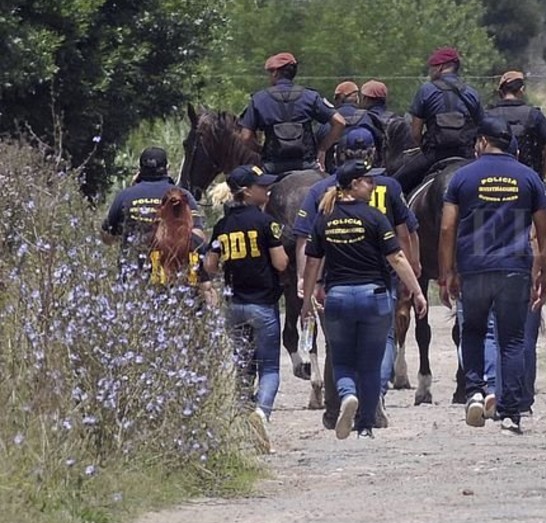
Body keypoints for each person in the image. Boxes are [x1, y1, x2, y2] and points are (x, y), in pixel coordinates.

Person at [295, 128, 420, 430]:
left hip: (335, 293)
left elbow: (310, 258)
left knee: (340, 354)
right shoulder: (380, 206)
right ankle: (369, 410)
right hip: (376, 291)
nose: (372, 184)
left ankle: (345, 396)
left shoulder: (322, 210)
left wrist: (306, 291)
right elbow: (400, 249)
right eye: (368, 181)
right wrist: (416, 287)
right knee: (374, 353)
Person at [439, 116, 546, 435]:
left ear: (481, 142)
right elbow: (545, 230)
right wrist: (545, 271)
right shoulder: (529, 177)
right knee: (513, 340)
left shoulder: (462, 177)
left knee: (473, 331)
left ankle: (475, 391)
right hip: (515, 268)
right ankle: (511, 412)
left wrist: (447, 271)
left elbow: (448, 227)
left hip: (473, 267)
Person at [203, 165, 288, 454]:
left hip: (234, 305)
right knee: (270, 368)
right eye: (262, 186)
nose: (267, 190)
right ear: (247, 191)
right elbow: (280, 264)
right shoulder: (266, 224)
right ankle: (261, 413)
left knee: (242, 367)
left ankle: (241, 427)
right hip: (263, 304)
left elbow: (210, 265)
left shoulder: (222, 225)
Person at [237, 52, 347, 175]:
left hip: (273, 167)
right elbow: (340, 122)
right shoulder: (310, 96)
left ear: (275, 73)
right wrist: (322, 149)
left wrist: (262, 151)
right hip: (306, 165)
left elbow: (245, 137)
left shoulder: (259, 99)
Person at [393, 47, 485, 192]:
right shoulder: (471, 93)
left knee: (395, 183)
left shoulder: (426, 90)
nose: (430, 72)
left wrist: (424, 147)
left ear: (440, 67)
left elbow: (415, 132)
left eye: (432, 67)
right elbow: (482, 128)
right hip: (466, 155)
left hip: (434, 155)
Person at [101, 147, 205, 271]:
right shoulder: (182, 196)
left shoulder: (124, 196)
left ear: (139, 170)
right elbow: (199, 237)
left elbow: (107, 238)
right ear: (167, 168)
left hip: (133, 277)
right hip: (171, 274)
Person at [486, 70, 546, 180]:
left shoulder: (488, 115)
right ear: (522, 90)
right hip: (527, 178)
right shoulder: (533, 115)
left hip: (493, 178)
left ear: (501, 92)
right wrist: (542, 174)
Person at [325, 81, 384, 170]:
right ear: (357, 98)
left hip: (333, 171)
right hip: (365, 170)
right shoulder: (367, 117)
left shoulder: (329, 118)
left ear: (337, 99)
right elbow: (379, 141)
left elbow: (319, 139)